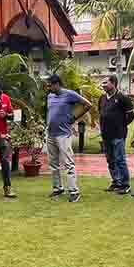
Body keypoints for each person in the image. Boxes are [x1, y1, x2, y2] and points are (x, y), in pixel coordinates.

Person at [46, 73, 93, 202]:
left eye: (50, 86)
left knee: (68, 163)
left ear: (57, 84)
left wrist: (74, 118)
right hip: (50, 134)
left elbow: (88, 105)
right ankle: (58, 188)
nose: (48, 88)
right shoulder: (50, 96)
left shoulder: (69, 94)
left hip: (63, 135)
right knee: (53, 163)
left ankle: (74, 191)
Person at [98, 75, 134, 194]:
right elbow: (101, 113)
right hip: (105, 135)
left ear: (113, 83)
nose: (103, 85)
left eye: (105, 83)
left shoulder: (122, 98)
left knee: (120, 159)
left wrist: (122, 124)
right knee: (110, 160)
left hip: (118, 134)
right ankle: (116, 182)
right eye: (102, 83)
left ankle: (125, 185)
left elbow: (131, 114)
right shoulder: (102, 98)